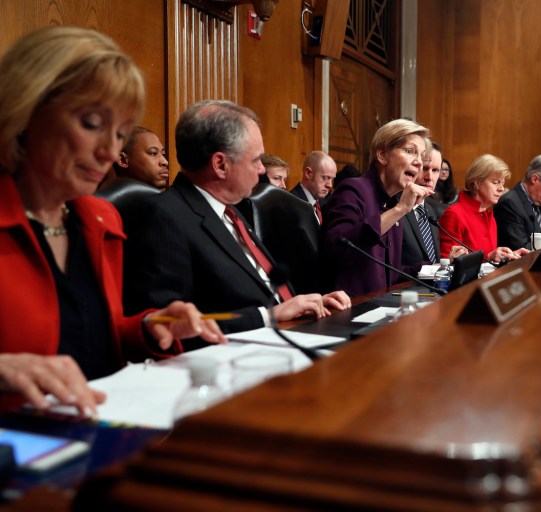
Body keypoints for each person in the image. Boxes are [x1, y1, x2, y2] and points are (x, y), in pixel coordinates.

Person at [0, 26, 225, 416]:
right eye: (91, 124)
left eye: (120, 134)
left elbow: (89, 339)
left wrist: (149, 326)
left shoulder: (100, 220)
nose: (109, 151)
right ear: (26, 110)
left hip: (102, 428)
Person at [123, 100, 350, 333]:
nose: (262, 169)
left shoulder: (232, 211)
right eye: (255, 160)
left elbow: (265, 291)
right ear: (220, 164)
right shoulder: (163, 216)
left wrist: (310, 304)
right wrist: (267, 316)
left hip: (291, 336)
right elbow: (167, 325)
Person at [322, 119, 434, 297]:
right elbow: (339, 250)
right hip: (352, 309)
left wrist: (435, 268)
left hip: (384, 304)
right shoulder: (353, 189)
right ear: (382, 155)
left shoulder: (393, 201)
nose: (419, 163)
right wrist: (399, 210)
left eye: (421, 156)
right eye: (410, 151)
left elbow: (390, 273)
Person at [438, 154, 529, 262]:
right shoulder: (454, 214)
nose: (501, 189)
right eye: (495, 182)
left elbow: (490, 259)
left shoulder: (489, 215)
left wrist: (507, 257)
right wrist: (488, 257)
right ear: (477, 183)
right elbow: (447, 262)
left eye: (502, 183)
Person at [401, 142, 467, 271]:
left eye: (436, 170)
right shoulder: (395, 208)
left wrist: (448, 261)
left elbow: (432, 262)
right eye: (425, 168)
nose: (430, 177)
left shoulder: (430, 211)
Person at [290, 150, 337, 224]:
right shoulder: (290, 205)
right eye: (325, 177)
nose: (330, 185)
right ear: (308, 173)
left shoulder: (326, 204)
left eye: (331, 179)